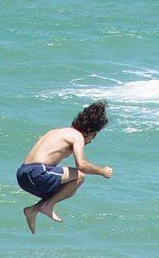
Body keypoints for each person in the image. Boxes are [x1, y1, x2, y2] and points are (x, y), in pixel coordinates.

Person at [16, 100, 113, 233]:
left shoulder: (56, 132)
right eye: (93, 137)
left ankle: (33, 210)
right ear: (89, 131)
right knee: (79, 177)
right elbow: (82, 165)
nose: (90, 141)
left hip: (23, 175)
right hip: (37, 172)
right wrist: (103, 171)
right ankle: (47, 206)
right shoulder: (76, 135)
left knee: (68, 186)